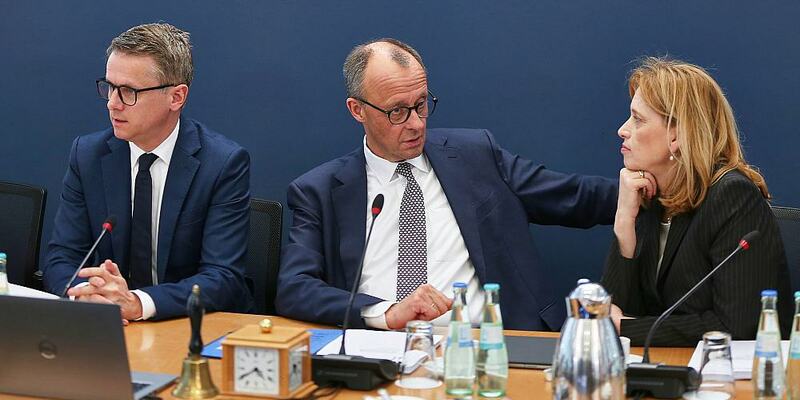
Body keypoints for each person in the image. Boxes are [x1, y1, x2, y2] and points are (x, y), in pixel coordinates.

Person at [276, 38, 618, 331]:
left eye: (421, 104)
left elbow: (573, 197)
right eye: (397, 111)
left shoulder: (476, 155)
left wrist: (652, 188)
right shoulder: (319, 191)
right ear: (357, 110)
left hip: (487, 346)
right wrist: (386, 313)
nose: (415, 124)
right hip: (380, 347)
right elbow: (294, 288)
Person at [42, 23, 253, 321]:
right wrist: (91, 295)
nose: (113, 104)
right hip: (110, 325)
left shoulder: (222, 164)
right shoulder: (88, 155)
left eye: (128, 91)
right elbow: (62, 257)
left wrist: (137, 303)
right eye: (109, 87)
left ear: (176, 97)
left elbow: (223, 277)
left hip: (187, 325)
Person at [602, 57, 791, 346]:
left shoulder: (732, 197)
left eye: (638, 119)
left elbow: (735, 325)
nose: (623, 129)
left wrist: (627, 329)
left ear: (677, 135)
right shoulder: (650, 194)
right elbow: (615, 313)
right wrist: (624, 223)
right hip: (663, 368)